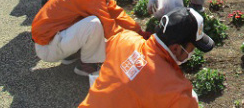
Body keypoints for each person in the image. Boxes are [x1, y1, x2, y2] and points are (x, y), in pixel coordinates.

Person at [79, 7, 214, 108]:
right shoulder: (177, 91)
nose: (192, 53)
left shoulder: (125, 38)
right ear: (176, 48)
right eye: (192, 48)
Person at [32, 0, 150, 76]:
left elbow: (115, 12)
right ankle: (88, 66)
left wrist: (139, 32)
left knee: (90, 21)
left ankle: (70, 55)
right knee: (94, 24)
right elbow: (109, 29)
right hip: (47, 47)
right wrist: (135, 44)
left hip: (49, 39)